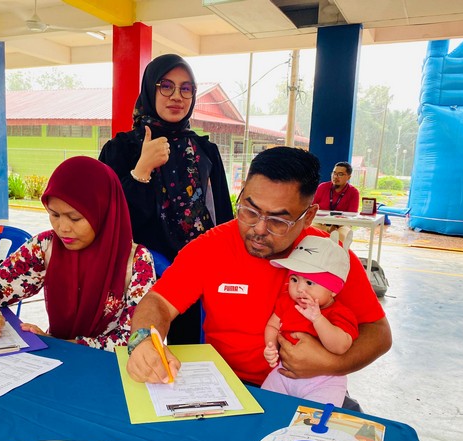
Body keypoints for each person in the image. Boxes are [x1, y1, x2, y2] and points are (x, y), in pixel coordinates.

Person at [125, 146, 391, 393]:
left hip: (309, 387)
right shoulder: (211, 247)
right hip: (227, 384)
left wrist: (331, 364)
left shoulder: (331, 258)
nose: (259, 229)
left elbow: (379, 332)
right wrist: (144, 340)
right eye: (250, 211)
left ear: (308, 216)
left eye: (278, 220)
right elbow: (159, 301)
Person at [99, 53, 233, 344]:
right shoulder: (120, 149)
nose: (176, 97)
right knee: (140, 350)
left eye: (186, 88)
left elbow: (223, 216)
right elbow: (108, 221)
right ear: (150, 88)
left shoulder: (205, 151)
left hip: (195, 274)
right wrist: (141, 170)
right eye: (166, 86)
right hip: (137, 277)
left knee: (188, 352)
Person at [0, 156, 156, 352]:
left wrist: (59, 344)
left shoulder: (136, 261)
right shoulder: (46, 247)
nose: (63, 228)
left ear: (104, 213)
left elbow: (135, 340)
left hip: (112, 365)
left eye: (75, 218)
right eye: (54, 214)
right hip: (57, 357)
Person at [262, 234, 357, 407]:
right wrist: (271, 346)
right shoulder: (287, 302)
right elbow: (273, 325)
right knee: (265, 405)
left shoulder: (339, 313)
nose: (299, 289)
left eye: (310, 283)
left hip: (324, 380)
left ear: (334, 289)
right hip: (284, 372)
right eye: (294, 279)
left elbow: (340, 346)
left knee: (315, 417)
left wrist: (318, 319)